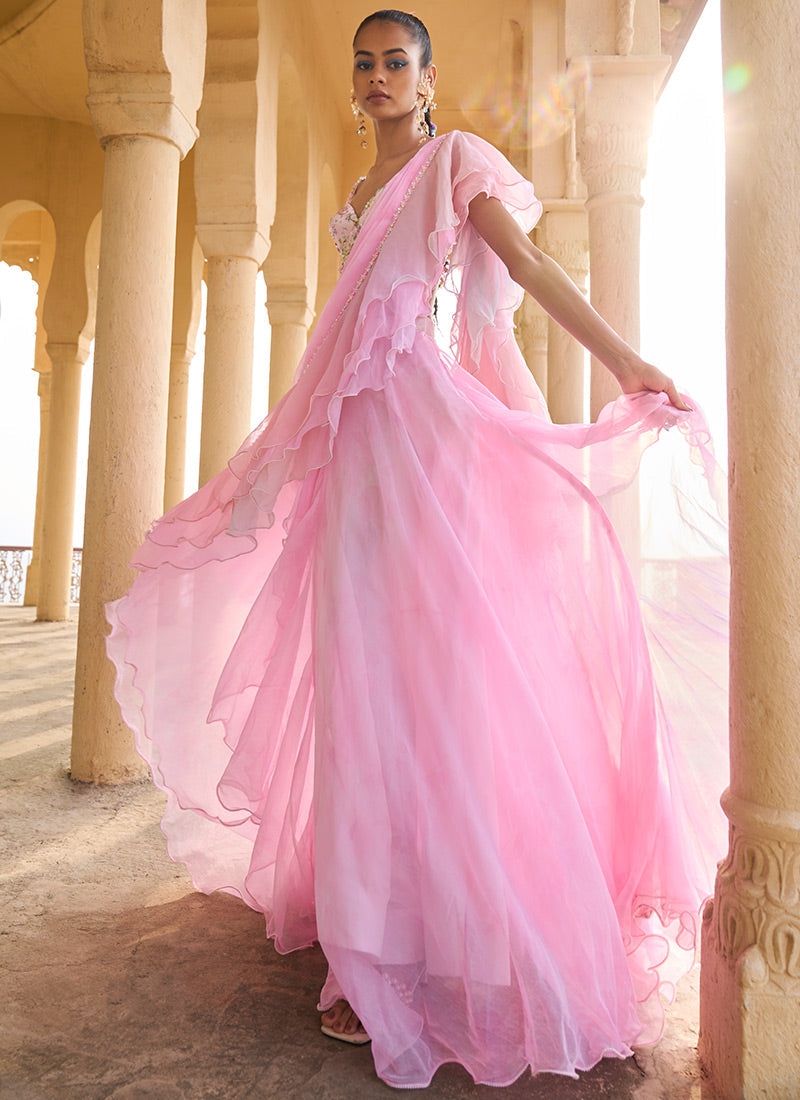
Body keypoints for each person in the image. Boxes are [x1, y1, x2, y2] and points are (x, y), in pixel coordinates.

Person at [106, 8, 729, 1090]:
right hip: (357, 458)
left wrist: (625, 359)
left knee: (446, 686)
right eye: (364, 62)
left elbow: (525, 266)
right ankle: (368, 950)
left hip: (429, 447)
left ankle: (463, 941)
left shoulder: (451, 164)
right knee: (361, 691)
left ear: (428, 79)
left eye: (396, 61)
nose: (377, 75)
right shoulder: (353, 205)